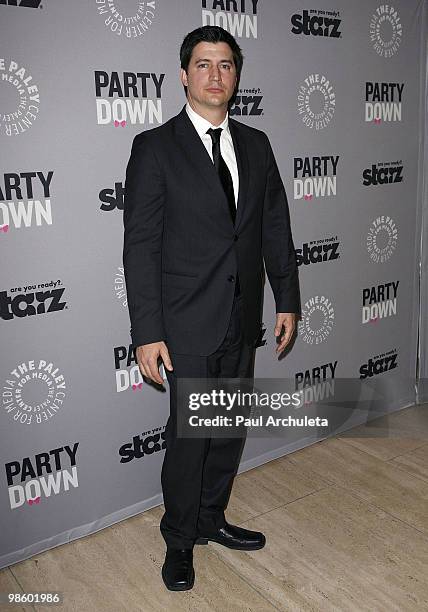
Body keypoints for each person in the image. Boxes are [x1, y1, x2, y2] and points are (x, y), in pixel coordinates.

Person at [123, 25, 300, 591]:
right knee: (190, 437)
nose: (215, 75)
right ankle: (178, 540)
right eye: (203, 64)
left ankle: (210, 520)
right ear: (183, 74)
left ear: (236, 75)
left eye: (225, 65)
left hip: (241, 317)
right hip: (184, 324)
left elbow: (274, 227)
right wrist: (147, 332)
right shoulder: (155, 147)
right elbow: (141, 245)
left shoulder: (257, 144)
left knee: (226, 431)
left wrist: (287, 300)